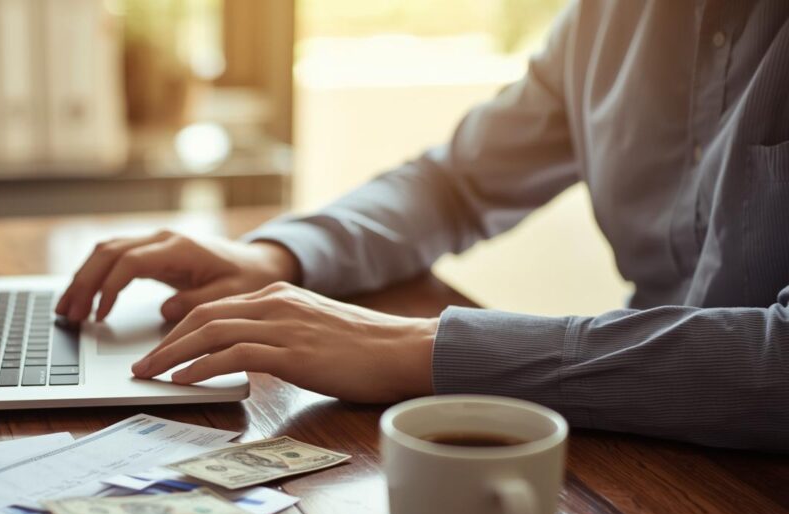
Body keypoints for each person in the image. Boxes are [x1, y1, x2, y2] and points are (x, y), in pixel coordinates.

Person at [56, 1, 789, 451]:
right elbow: (455, 184)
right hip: (637, 461)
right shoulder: (607, 18)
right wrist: (280, 255)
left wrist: (419, 349)